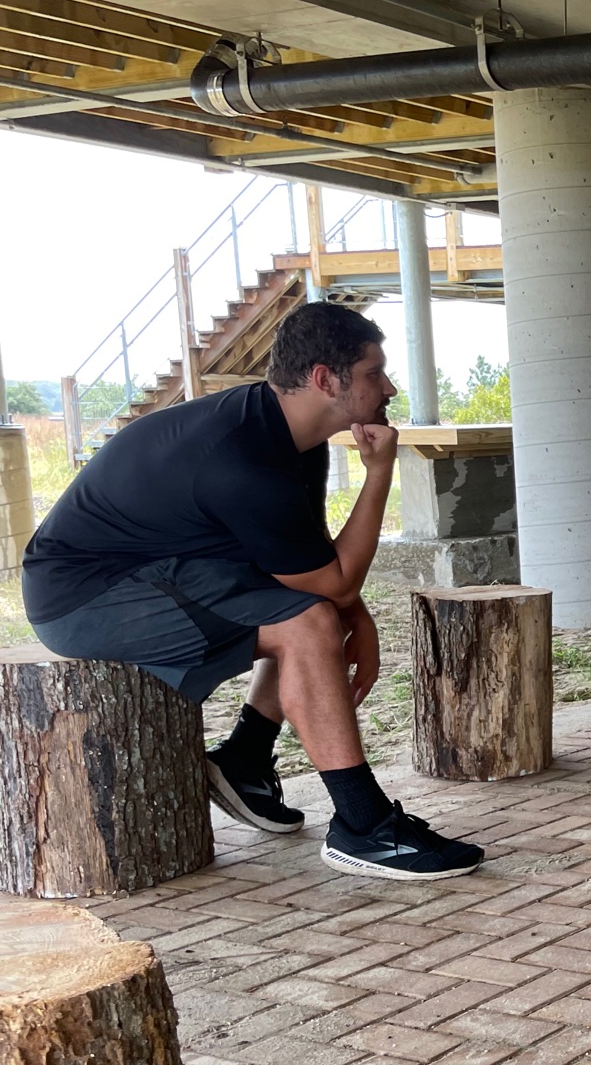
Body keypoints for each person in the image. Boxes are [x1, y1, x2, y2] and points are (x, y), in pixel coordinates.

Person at [22, 302, 484, 881]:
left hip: (161, 567)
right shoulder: (243, 459)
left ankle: (244, 759)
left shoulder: (291, 436)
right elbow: (334, 582)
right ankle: (363, 825)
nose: (388, 387)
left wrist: (359, 619)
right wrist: (379, 474)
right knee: (307, 624)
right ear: (325, 379)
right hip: (86, 597)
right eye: (374, 372)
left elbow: (308, 558)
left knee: (311, 609)